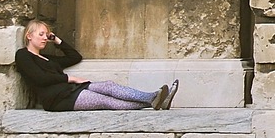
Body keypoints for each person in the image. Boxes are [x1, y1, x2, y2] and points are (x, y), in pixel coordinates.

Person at [15, 19, 178, 111]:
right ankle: (154, 98)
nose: (45, 38)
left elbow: (74, 57)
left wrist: (56, 40)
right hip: (57, 99)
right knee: (104, 100)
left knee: (109, 86)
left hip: (71, 90)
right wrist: (69, 78)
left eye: (47, 35)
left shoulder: (49, 59)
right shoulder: (23, 55)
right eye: (41, 34)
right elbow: (40, 78)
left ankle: (154, 98)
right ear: (29, 36)